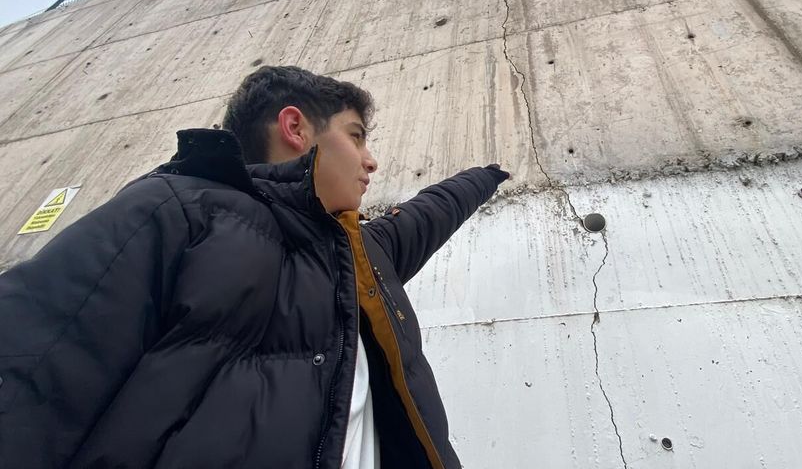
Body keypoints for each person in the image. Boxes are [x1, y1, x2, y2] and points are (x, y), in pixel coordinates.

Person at [0, 65, 509, 468]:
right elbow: (35, 373)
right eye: (356, 136)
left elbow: (428, 213)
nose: (370, 159)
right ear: (295, 128)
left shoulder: (363, 256)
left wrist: (488, 174)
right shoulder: (176, 209)